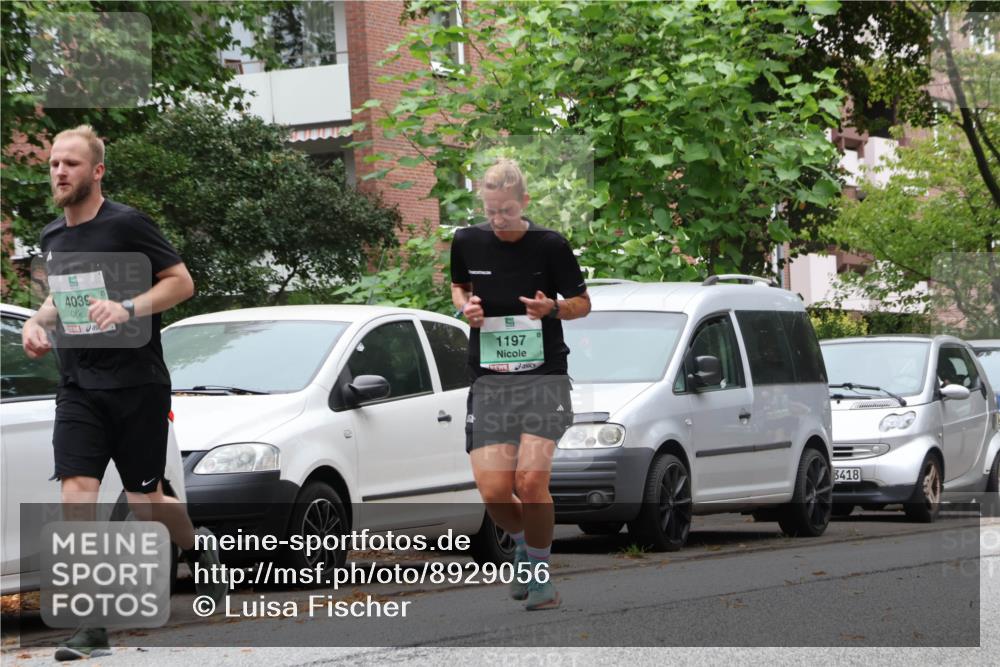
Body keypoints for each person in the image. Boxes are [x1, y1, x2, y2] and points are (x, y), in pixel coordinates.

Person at [20, 125, 226, 660]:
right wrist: (36, 324)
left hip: (137, 384)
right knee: (76, 493)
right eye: (54, 164)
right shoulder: (53, 237)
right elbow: (57, 300)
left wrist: (128, 307)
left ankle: (197, 551)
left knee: (147, 498)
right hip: (79, 386)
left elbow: (181, 282)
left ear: (97, 171)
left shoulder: (128, 224)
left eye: (71, 164)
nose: (60, 172)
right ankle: (91, 626)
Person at [450, 158, 591, 610]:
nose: (498, 220)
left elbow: (583, 304)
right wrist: (465, 307)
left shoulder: (550, 245)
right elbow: (458, 287)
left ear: (524, 202)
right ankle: (523, 547)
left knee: (530, 480)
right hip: (490, 383)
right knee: (493, 491)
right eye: (491, 211)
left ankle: (541, 575)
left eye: (506, 211)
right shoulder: (467, 241)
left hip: (544, 378)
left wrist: (552, 309)